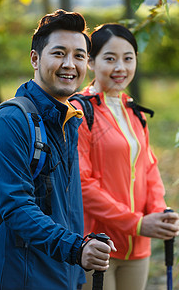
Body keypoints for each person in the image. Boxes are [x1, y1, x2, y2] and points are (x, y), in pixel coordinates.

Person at [0, 11, 116, 290]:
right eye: (59, 53)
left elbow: (70, 212)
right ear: (35, 59)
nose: (70, 64)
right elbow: (17, 208)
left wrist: (76, 274)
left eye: (79, 56)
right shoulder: (11, 123)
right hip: (19, 278)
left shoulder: (68, 121)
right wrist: (77, 249)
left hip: (63, 276)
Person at [70, 23, 179, 290]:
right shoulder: (79, 111)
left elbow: (149, 168)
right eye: (110, 58)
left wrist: (158, 212)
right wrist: (138, 223)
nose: (121, 68)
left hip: (137, 246)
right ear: (92, 62)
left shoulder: (136, 112)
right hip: (96, 244)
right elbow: (83, 185)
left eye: (128, 59)